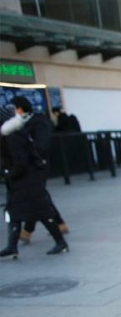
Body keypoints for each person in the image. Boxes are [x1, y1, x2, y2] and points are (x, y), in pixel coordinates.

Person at [1, 96, 69, 258]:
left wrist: (10, 174)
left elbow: (21, 161)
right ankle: (12, 246)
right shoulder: (13, 133)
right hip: (22, 180)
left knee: (40, 211)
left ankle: (60, 242)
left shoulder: (13, 135)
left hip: (26, 179)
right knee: (15, 212)